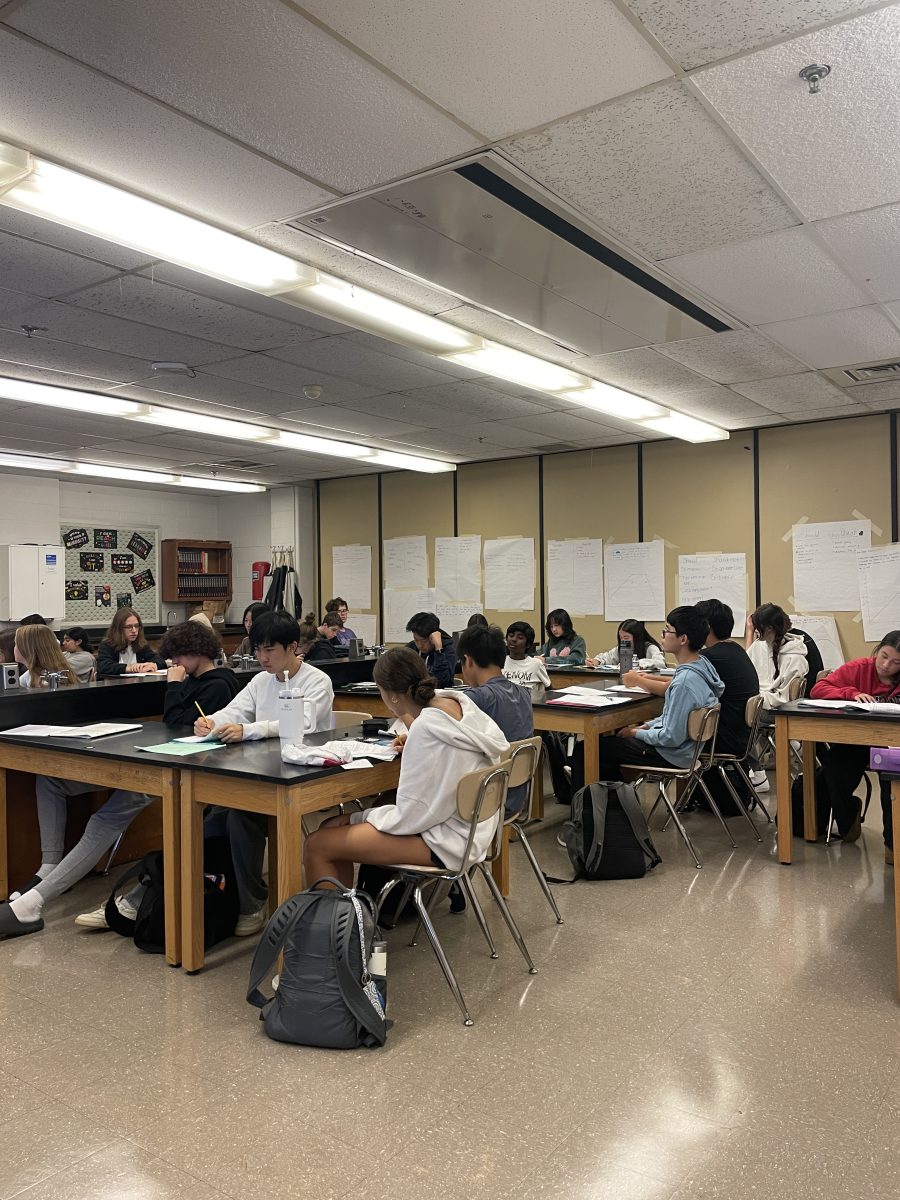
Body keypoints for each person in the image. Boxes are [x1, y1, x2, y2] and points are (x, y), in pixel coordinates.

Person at [0, 622, 242, 939]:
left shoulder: (217, 684)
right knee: (51, 780)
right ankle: (50, 867)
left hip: (184, 772)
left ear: (195, 652)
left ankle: (35, 902)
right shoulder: (194, 678)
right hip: (160, 760)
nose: (175, 665)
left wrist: (174, 686)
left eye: (178, 658)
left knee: (106, 818)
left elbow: (180, 726)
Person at [303, 647, 509, 888]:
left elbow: (411, 816)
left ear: (392, 696)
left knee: (318, 844)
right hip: (472, 831)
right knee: (338, 827)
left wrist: (359, 816)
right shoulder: (456, 705)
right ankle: (349, 913)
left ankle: (339, 923)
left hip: (445, 841)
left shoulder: (426, 728)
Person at [195, 610, 334, 934]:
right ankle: (185, 891)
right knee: (211, 814)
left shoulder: (316, 681)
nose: (262, 657)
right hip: (261, 773)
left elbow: (301, 723)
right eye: (257, 649)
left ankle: (252, 903)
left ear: (293, 647)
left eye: (269, 650)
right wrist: (211, 721)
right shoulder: (260, 681)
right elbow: (234, 710)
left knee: (239, 816)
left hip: (303, 779)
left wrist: (248, 729)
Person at [574, 607, 724, 787]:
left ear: (683, 639)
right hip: (686, 751)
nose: (662, 634)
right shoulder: (702, 666)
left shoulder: (684, 683)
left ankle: (590, 807)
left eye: (667, 630)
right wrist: (647, 725)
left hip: (671, 754)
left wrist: (636, 732)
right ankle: (617, 799)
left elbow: (671, 737)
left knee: (585, 749)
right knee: (610, 747)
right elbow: (672, 719)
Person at [810, 632, 900, 855]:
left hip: (893, 746)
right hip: (858, 741)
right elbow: (818, 689)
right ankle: (848, 817)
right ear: (877, 651)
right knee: (833, 765)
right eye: (883, 656)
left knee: (892, 780)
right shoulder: (860, 668)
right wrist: (851, 693)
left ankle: (892, 845)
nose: (886, 665)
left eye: (896, 662)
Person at [458, 624, 534, 815]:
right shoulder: (524, 693)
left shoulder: (476, 698)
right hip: (516, 797)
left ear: (467, 661)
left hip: (485, 800)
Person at [744, 603, 808, 791]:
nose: (755, 632)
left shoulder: (795, 657)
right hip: (761, 702)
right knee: (738, 711)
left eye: (757, 628)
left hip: (777, 710)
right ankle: (752, 768)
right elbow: (745, 670)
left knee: (734, 718)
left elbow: (784, 700)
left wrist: (755, 697)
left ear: (769, 629)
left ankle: (756, 772)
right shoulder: (760, 646)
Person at [97, 607, 165, 676]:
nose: (134, 630)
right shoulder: (107, 645)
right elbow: (104, 666)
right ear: (119, 629)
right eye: (129, 627)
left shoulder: (141, 645)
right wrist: (129, 668)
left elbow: (161, 661)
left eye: (136, 626)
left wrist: (153, 665)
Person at [406, 611, 456, 688]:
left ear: (433, 636)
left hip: (440, 696)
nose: (420, 645)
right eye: (416, 640)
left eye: (424, 641)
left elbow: (442, 683)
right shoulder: (411, 649)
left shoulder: (448, 650)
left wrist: (438, 650)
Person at [587, 620, 665, 670]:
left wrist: (636, 663)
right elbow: (607, 657)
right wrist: (596, 661)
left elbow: (660, 663)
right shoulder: (621, 648)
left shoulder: (650, 648)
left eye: (626, 637)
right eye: (621, 638)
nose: (623, 641)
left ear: (637, 637)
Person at [503, 621, 551, 688]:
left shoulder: (536, 664)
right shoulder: (499, 662)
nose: (514, 639)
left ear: (528, 644)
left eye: (520, 637)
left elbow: (549, 688)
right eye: (511, 635)